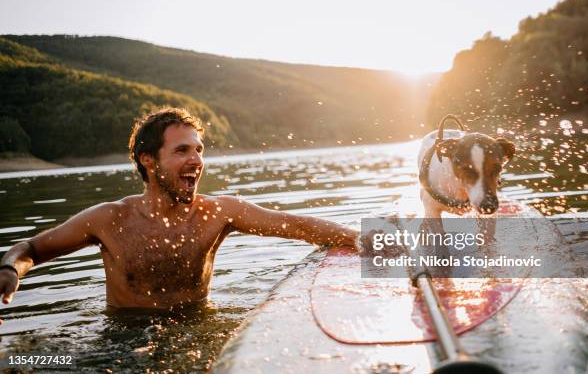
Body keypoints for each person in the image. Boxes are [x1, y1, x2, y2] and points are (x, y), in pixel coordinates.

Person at [0, 108, 359, 314]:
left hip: (198, 326)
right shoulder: (109, 219)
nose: (197, 161)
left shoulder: (218, 212)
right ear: (148, 160)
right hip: (121, 340)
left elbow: (294, 225)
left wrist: (367, 238)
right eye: (182, 151)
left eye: (200, 150)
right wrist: (9, 270)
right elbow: (30, 249)